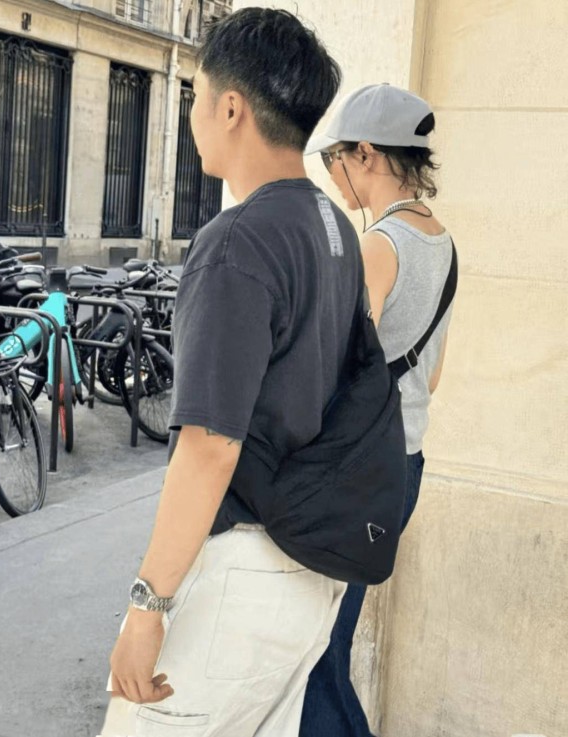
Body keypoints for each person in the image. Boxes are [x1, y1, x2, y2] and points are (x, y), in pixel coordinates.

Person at [100, 8, 366, 737]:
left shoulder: (238, 240)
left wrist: (147, 606)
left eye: (194, 95)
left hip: (241, 570)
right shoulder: (331, 227)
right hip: (309, 567)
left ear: (231, 109)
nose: (191, 114)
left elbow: (211, 446)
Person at [300, 84, 456, 737]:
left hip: (357, 472)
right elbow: (433, 375)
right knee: (325, 651)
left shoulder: (379, 245)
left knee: (313, 658)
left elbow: (334, 365)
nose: (332, 174)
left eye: (334, 158)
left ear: (366, 153)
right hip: (402, 465)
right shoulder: (442, 242)